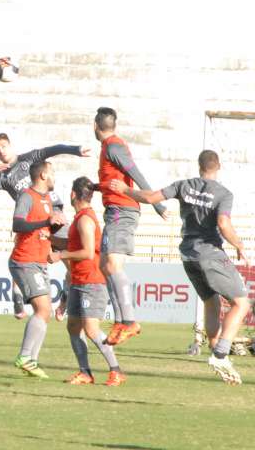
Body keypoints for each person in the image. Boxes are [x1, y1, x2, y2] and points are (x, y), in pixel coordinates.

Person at [110, 149, 252, 384]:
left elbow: (151, 198)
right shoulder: (223, 194)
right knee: (241, 303)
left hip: (188, 255)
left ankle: (216, 349)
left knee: (210, 301)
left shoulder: (184, 185)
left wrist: (125, 190)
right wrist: (239, 244)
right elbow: (223, 223)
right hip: (210, 254)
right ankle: (221, 353)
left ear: (199, 167)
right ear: (218, 167)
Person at [0, 127, 89, 318]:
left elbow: (53, 149)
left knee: (74, 265)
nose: (1, 151)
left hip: (56, 215)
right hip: (33, 222)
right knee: (23, 256)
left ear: (10, 145)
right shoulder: (3, 176)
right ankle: (18, 297)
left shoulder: (28, 159)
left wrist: (75, 149)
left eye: (3, 146)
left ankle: (63, 301)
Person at [93, 106, 167, 346]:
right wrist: (96, 187)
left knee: (112, 264)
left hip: (122, 210)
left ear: (95, 126)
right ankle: (120, 321)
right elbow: (115, 179)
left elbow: (135, 173)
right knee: (105, 265)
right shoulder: (109, 147)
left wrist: (155, 202)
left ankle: (129, 321)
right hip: (114, 210)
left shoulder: (113, 146)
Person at [49, 176, 125, 386]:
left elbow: (88, 252)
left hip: (92, 280)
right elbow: (74, 244)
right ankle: (85, 372)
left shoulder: (85, 219)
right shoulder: (80, 218)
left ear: (73, 194)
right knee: (73, 327)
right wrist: (49, 239)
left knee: (91, 329)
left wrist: (60, 254)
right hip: (78, 281)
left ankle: (116, 370)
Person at [9, 160, 62, 378]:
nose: (54, 177)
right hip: (25, 260)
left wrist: (55, 227)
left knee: (45, 312)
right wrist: (45, 223)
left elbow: (46, 227)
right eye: (52, 173)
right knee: (42, 309)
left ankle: (31, 360)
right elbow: (17, 225)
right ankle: (24, 356)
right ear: (43, 175)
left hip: (39, 261)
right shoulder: (27, 196)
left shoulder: (47, 199)